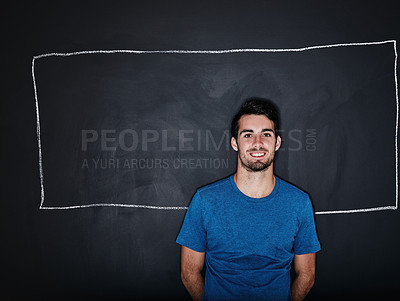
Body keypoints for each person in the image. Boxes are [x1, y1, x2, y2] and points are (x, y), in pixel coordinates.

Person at [176, 98, 321, 301]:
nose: (257, 143)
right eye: (248, 134)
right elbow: (189, 273)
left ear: (277, 143)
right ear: (235, 142)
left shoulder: (299, 203)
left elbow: (307, 275)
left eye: (266, 134)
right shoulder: (205, 200)